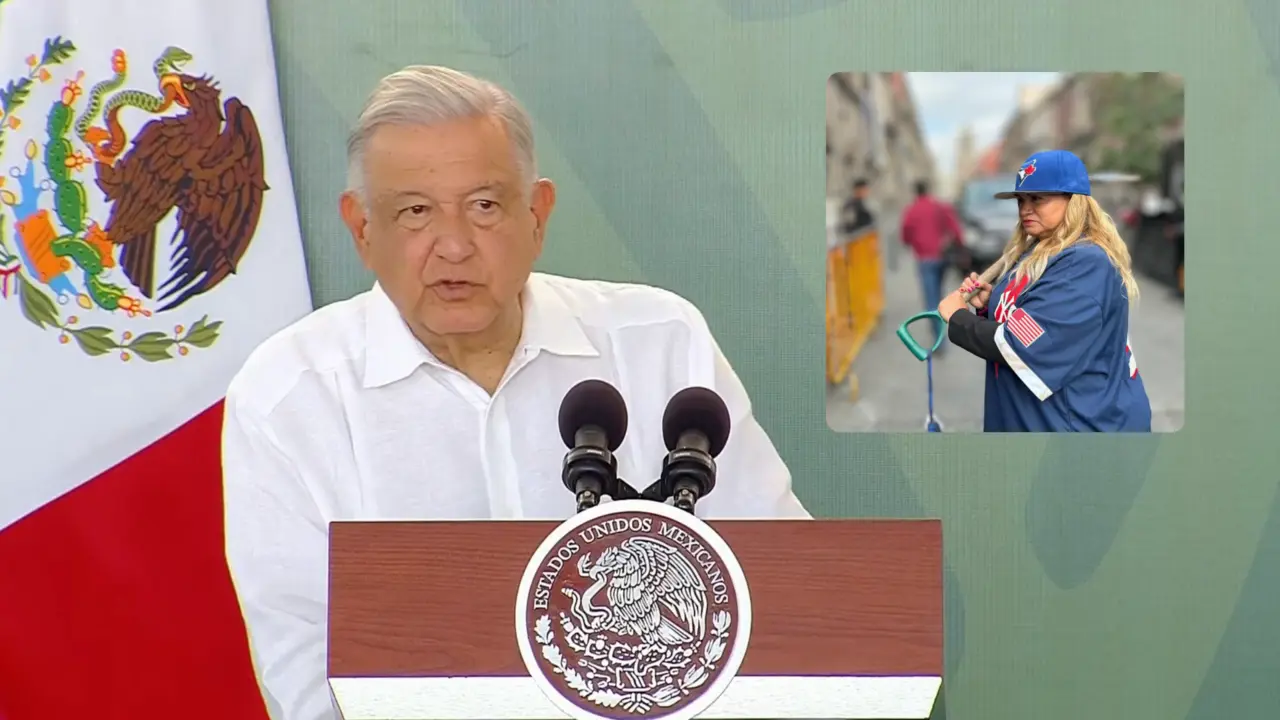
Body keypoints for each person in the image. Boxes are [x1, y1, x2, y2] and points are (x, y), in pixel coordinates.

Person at [219, 65, 811, 720]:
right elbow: (307, 677)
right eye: (415, 211)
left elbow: (783, 593)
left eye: (484, 206)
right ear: (361, 228)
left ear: (537, 214)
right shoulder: (290, 397)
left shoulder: (659, 343)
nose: (453, 246)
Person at [937, 150, 1152, 432]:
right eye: (1021, 200)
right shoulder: (1037, 250)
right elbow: (1032, 319)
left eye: (1038, 198)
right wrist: (990, 305)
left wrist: (958, 318)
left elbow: (1021, 344)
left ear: (1074, 202)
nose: (1026, 208)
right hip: (1034, 417)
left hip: (1077, 425)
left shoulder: (1084, 262)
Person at [899, 180, 963, 347]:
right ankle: (944, 331)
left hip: (925, 258)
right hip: (943, 257)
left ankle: (939, 342)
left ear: (915, 192)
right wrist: (960, 245)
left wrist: (914, 244)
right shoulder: (939, 206)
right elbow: (954, 227)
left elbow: (905, 233)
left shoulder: (912, 210)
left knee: (931, 299)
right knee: (940, 293)